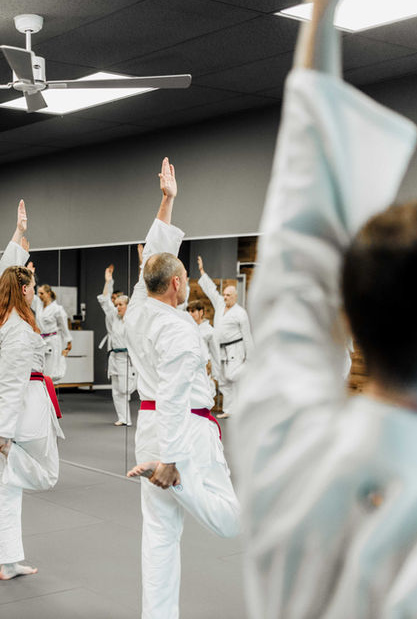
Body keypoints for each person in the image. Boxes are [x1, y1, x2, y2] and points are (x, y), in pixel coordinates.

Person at [234, 0, 417, 617]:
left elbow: (300, 245)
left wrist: (321, 8)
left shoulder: (285, 441)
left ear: (353, 316)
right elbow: (303, 256)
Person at [123, 158, 240, 619]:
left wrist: (168, 201)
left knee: (159, 535)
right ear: (177, 284)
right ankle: (182, 483)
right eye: (185, 277)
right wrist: (172, 464)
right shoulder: (178, 329)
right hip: (182, 431)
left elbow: (153, 258)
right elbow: (174, 393)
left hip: (151, 426)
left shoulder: (137, 309)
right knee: (230, 520)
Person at [0, 199, 65, 581]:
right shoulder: (22, 331)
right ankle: (9, 447)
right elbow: (13, 382)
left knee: (4, 488)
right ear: (24, 289)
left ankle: (9, 561)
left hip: (6, 403)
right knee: (48, 475)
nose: (34, 290)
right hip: (21, 409)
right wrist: (2, 436)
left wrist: (18, 236)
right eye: (32, 285)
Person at [196, 255, 252, 418]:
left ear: (235, 297)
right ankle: (229, 410)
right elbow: (211, 291)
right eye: (225, 295)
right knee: (222, 380)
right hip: (219, 349)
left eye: (229, 295)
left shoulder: (240, 313)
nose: (225, 297)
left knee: (232, 375)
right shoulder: (220, 304)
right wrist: (202, 272)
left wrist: (249, 358)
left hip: (236, 348)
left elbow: (247, 336)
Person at [97, 264, 136, 426]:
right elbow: (105, 301)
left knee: (125, 389)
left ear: (128, 306)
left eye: (121, 305)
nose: (117, 307)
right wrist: (108, 281)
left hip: (128, 358)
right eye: (117, 304)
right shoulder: (114, 317)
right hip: (114, 356)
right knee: (116, 390)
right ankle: (123, 418)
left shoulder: (133, 319)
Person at [34, 283, 73, 381]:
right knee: (40, 368)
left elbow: (64, 327)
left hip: (53, 340)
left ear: (48, 293)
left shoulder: (57, 309)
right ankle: (43, 392)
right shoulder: (38, 305)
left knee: (51, 370)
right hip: (41, 339)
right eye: (38, 293)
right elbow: (30, 297)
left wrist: (68, 341)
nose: (39, 295)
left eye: (42, 293)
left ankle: (50, 391)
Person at [187, 299, 220, 395]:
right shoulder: (188, 329)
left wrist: (215, 377)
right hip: (190, 369)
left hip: (205, 370)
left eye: (193, 311)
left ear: (201, 312)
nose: (190, 314)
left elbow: (215, 354)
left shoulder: (209, 331)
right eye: (188, 311)